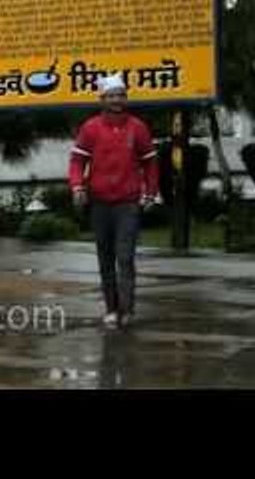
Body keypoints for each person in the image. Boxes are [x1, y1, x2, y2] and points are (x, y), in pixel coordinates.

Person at [69, 73, 159, 330]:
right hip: (99, 204)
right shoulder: (91, 128)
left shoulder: (137, 127)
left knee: (125, 257)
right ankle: (111, 309)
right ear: (102, 99)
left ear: (125, 98)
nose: (117, 100)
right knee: (105, 258)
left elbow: (150, 162)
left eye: (121, 95)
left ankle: (127, 310)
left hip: (128, 204)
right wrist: (77, 187)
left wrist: (150, 193)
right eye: (111, 96)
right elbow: (77, 162)